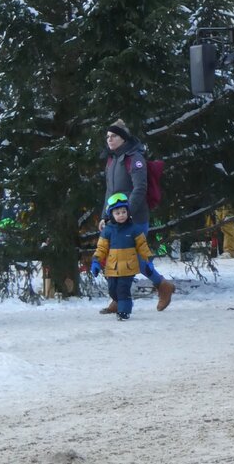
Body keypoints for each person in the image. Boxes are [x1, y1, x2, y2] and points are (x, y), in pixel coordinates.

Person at [99, 120, 174, 312]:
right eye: (107, 137)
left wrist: (127, 213)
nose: (109, 140)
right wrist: (105, 216)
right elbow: (110, 191)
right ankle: (118, 298)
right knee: (113, 256)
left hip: (135, 218)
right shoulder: (112, 159)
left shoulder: (135, 157)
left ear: (123, 138)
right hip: (116, 218)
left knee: (134, 258)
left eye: (113, 136)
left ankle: (162, 285)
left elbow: (140, 188)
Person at [90, 193, 154, 321]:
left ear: (128, 212)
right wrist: (96, 262)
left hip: (128, 267)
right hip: (112, 267)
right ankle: (121, 303)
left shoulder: (134, 229)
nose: (121, 215)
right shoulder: (107, 231)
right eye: (117, 213)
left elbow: (142, 246)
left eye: (123, 212)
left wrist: (149, 261)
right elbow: (102, 248)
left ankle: (124, 311)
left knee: (123, 289)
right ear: (111, 215)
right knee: (113, 290)